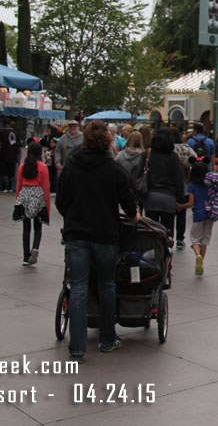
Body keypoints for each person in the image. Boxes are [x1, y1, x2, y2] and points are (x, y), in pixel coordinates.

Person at [55, 120, 140, 358]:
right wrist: (134, 217)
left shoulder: (71, 165)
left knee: (79, 286)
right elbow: (128, 203)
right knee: (107, 284)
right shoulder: (113, 168)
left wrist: (73, 216)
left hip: (76, 234)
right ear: (108, 141)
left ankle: (77, 348)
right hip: (105, 235)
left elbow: (60, 200)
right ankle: (107, 339)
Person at [144, 127, 189, 241]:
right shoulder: (173, 157)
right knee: (167, 229)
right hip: (169, 198)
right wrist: (180, 200)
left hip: (150, 196)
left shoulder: (148, 154)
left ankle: (153, 251)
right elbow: (178, 180)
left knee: (151, 229)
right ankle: (166, 251)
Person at [13, 141, 51, 266]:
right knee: (38, 226)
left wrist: (18, 201)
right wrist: (47, 206)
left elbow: (18, 185)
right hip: (38, 195)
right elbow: (46, 187)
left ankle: (25, 256)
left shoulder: (22, 166)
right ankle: (35, 248)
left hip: (25, 195)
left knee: (26, 227)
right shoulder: (43, 167)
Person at [186, 161, 218, 276]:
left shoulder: (192, 186)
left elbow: (191, 203)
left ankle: (198, 255)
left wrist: (181, 206)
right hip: (210, 213)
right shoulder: (211, 184)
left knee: (195, 239)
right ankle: (201, 263)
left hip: (198, 214)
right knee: (205, 240)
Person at [0, 119, 19, 192]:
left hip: (4, 153)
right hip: (14, 153)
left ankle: (4, 186)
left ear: (4, 124)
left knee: (4, 170)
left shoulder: (1, 131)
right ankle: (10, 186)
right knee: (11, 170)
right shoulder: (15, 132)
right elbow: (18, 143)